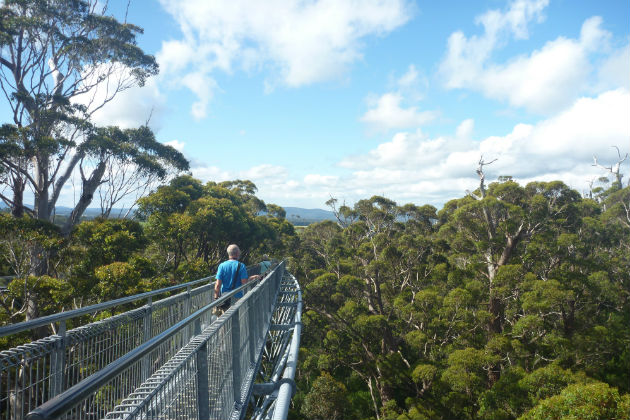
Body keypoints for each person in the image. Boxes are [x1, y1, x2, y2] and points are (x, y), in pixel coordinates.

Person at [214, 244, 259, 314]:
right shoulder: (241, 266)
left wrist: (216, 298)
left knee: (225, 317)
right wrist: (251, 278)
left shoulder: (222, 266)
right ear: (237, 253)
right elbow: (244, 282)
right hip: (237, 297)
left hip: (225, 298)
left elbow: (218, 285)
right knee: (236, 317)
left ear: (228, 253)